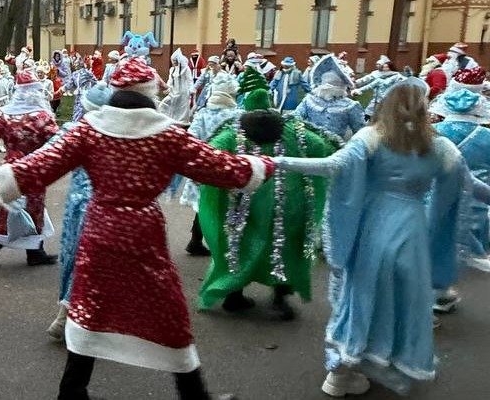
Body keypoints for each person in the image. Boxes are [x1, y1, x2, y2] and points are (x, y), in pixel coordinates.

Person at [0, 58, 272, 400]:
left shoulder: (89, 129)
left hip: (100, 231)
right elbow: (222, 168)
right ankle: (194, 395)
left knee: (89, 307)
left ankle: (71, 392)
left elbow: (38, 166)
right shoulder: (169, 134)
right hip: (144, 234)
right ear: (150, 94)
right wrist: (264, 164)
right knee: (168, 311)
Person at [273, 77, 468, 396]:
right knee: (403, 298)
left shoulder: (372, 137)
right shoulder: (439, 146)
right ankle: (389, 359)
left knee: (361, 295)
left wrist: (277, 162)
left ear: (385, 104)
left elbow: (330, 165)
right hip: (412, 231)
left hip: (373, 228)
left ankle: (341, 371)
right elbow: (465, 185)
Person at [197, 67, 334, 320]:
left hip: (242, 207)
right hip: (289, 208)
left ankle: (233, 294)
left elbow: (208, 155)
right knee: (286, 251)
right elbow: (326, 148)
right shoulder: (296, 131)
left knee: (238, 246)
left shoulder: (233, 132)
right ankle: (280, 298)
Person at [0, 71, 60, 267]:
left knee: (13, 208)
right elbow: (57, 142)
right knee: (32, 208)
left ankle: (34, 251)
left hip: (10, 169)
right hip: (35, 167)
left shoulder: (6, 114)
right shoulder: (42, 117)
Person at [45, 83, 112, 340]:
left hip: (78, 208)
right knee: (92, 263)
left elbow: (46, 156)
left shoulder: (73, 131)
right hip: (103, 208)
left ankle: (70, 313)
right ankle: (70, 315)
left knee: (76, 260)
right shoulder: (117, 132)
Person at [431, 74, 490, 274]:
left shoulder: (431, 132)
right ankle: (471, 253)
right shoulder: (487, 137)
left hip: (437, 194)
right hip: (477, 199)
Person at [179, 74, 242, 256]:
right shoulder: (237, 115)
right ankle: (221, 245)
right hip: (226, 167)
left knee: (203, 204)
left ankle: (196, 240)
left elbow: (190, 137)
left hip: (204, 166)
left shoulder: (203, 114)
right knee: (224, 205)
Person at [294, 55, 364, 141]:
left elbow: (360, 134)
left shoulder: (350, 106)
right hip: (312, 146)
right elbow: (295, 118)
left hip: (335, 148)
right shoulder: (309, 100)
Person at [158, 48, 194, 124]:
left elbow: (189, 80)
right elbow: (170, 80)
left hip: (183, 91)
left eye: (175, 60)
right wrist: (167, 88)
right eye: (173, 60)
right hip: (173, 90)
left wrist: (191, 89)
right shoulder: (172, 69)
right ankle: (168, 118)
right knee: (166, 103)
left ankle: (182, 122)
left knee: (182, 107)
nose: (174, 62)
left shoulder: (186, 69)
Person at [63, 57, 97, 122]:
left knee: (84, 108)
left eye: (76, 63)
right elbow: (70, 84)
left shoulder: (87, 72)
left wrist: (92, 90)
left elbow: (95, 81)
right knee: (77, 108)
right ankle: (76, 122)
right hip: (78, 94)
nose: (75, 65)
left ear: (80, 64)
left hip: (86, 94)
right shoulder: (74, 74)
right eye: (74, 63)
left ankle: (84, 121)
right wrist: (62, 89)